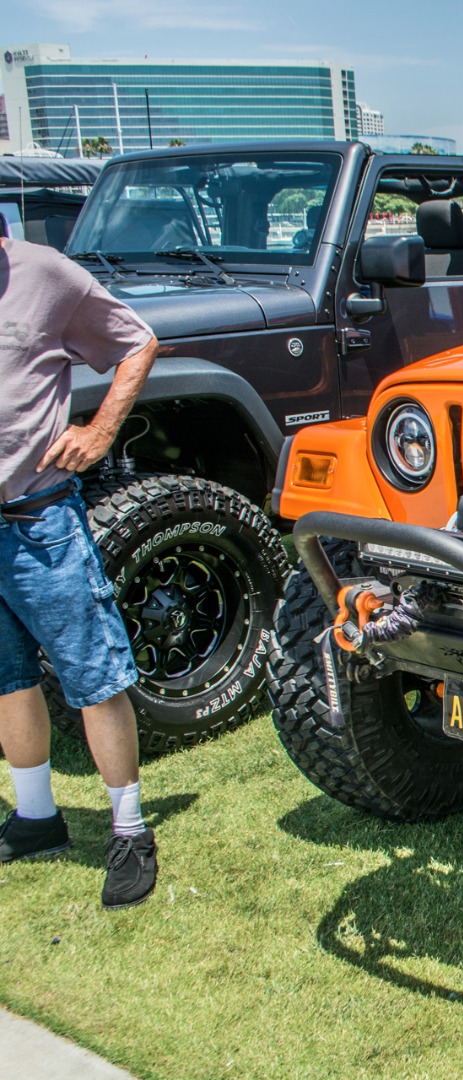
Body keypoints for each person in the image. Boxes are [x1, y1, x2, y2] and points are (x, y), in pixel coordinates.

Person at [0, 215, 162, 909]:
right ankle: (37, 818)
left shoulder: (45, 274)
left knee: (93, 677)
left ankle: (130, 830)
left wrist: (98, 432)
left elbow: (138, 341)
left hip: (40, 522)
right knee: (8, 680)